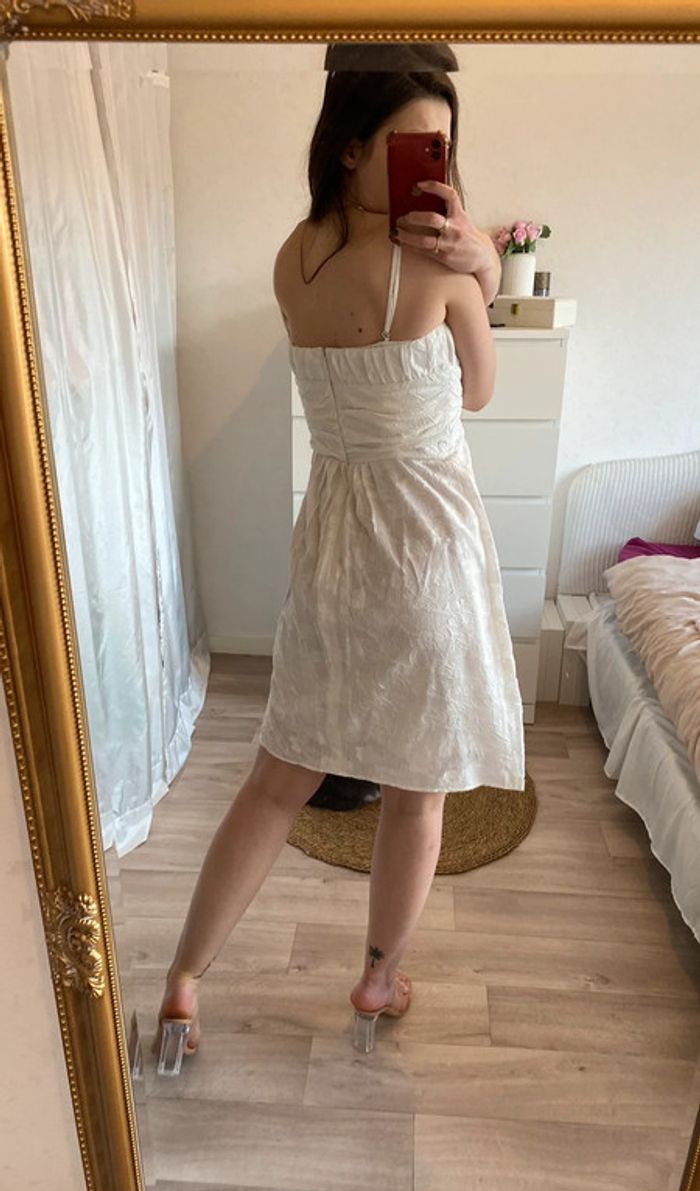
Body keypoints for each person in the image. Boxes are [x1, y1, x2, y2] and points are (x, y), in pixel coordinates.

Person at [153, 44, 525, 1074]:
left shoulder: (293, 257)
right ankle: (377, 975)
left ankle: (183, 979)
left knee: (279, 779)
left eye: (439, 149)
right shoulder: (440, 271)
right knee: (417, 790)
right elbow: (479, 389)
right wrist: (481, 266)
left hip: (334, 545)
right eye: (412, 148)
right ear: (354, 147)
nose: (428, 168)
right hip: (428, 547)